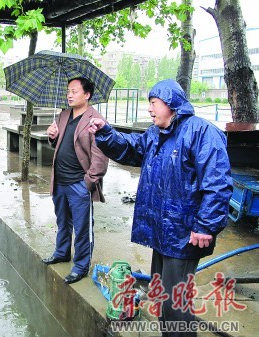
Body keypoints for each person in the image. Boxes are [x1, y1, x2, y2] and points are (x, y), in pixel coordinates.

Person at [88, 79, 232, 336]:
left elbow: (218, 185)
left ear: (171, 104)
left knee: (176, 303)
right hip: (162, 232)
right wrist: (105, 132)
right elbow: (131, 148)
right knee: (161, 295)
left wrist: (205, 226)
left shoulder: (200, 133)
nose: (150, 109)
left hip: (186, 234)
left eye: (154, 103)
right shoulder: (155, 134)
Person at [42, 77, 109, 285]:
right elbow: (59, 143)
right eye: (68, 91)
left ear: (87, 95)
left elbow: (101, 156)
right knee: (62, 222)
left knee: (82, 228)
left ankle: (80, 266)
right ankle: (62, 252)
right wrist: (52, 136)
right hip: (60, 181)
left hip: (79, 184)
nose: (69, 95)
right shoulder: (63, 115)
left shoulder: (95, 119)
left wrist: (89, 182)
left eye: (74, 91)